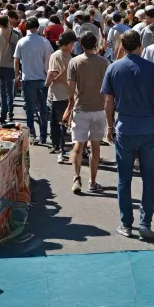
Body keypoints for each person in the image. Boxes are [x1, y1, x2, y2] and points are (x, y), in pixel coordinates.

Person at [102, 28, 154, 240]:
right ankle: (145, 223)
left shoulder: (114, 68)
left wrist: (110, 126)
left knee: (124, 178)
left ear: (122, 45)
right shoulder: (150, 68)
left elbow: (108, 101)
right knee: (149, 177)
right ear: (140, 45)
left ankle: (126, 223)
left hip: (125, 127)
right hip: (148, 127)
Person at [64, 32, 109, 194]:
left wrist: (69, 108)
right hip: (98, 108)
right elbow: (108, 88)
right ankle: (93, 181)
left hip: (80, 107)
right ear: (95, 44)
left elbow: (71, 89)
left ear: (81, 45)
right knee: (95, 146)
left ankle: (76, 177)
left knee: (78, 145)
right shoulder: (104, 62)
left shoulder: (74, 62)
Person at [14, 17, 54, 144]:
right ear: (38, 27)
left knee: (30, 109)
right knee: (43, 109)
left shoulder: (21, 42)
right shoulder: (45, 42)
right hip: (42, 78)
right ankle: (43, 136)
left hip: (27, 79)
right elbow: (49, 60)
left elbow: (16, 60)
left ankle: (31, 134)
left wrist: (16, 76)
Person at [46, 30, 76, 164]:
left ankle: (59, 146)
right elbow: (52, 73)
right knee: (59, 122)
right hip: (59, 94)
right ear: (67, 44)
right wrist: (46, 83)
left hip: (65, 93)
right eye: (72, 43)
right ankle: (59, 147)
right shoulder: (57, 55)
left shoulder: (68, 55)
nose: (73, 46)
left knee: (60, 122)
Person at [0, 15, 20, 123]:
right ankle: (10, 112)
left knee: (2, 90)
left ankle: (3, 113)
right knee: (10, 90)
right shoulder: (16, 34)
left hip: (0, 64)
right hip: (12, 65)